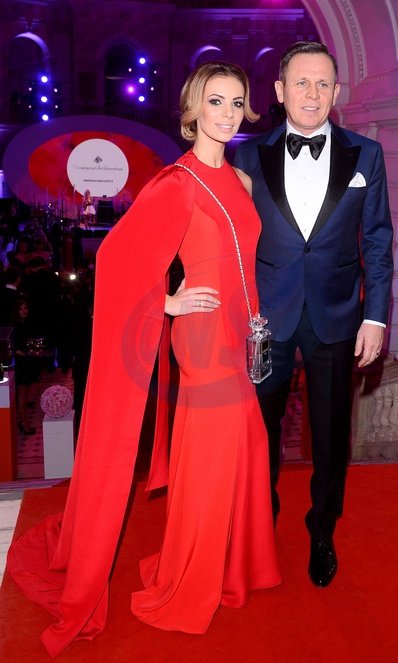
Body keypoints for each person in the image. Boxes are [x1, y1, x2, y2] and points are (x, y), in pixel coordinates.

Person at [7, 61, 281, 657]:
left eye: (237, 102)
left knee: (245, 448)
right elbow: (115, 260)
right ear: (193, 108)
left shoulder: (241, 178)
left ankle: (228, 566)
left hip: (241, 332)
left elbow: (243, 258)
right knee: (215, 457)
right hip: (203, 337)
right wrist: (167, 301)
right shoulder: (177, 183)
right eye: (216, 101)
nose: (228, 113)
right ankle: (187, 581)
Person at [235, 41, 394, 588]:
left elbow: (377, 241)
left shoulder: (366, 155)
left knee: (331, 438)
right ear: (280, 91)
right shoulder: (246, 157)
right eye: (301, 82)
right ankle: (261, 520)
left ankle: (322, 531)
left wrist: (375, 317)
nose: (312, 93)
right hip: (266, 320)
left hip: (338, 317)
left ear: (337, 91)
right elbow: (228, 240)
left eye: (323, 83)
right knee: (258, 433)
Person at [8, 299, 38, 434]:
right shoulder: (16, 326)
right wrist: (28, 355)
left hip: (26, 361)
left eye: (25, 308)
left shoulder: (25, 324)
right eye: (21, 309)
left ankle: (24, 422)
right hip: (21, 363)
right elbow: (14, 348)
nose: (24, 311)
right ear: (16, 311)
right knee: (22, 395)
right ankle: (24, 423)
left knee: (26, 394)